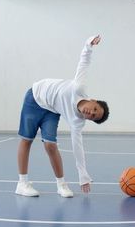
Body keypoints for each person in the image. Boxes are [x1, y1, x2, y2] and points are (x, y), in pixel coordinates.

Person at [15, 35, 109, 198]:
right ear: (92, 100)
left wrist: (83, 176)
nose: (90, 113)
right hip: (35, 97)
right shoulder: (79, 87)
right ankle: (22, 183)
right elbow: (84, 62)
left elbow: (77, 148)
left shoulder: (77, 122)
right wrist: (88, 44)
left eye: (93, 116)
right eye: (94, 109)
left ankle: (61, 185)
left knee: (50, 145)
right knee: (27, 139)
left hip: (51, 109)